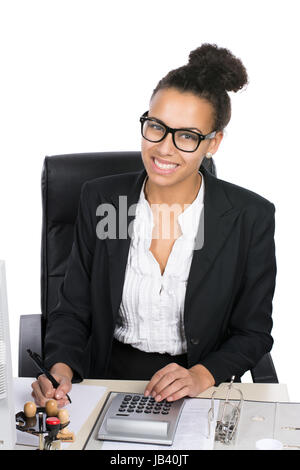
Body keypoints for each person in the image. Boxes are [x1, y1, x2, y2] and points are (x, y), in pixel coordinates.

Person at [31, 43, 276, 408]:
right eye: (157, 127)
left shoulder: (250, 215)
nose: (164, 148)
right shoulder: (102, 201)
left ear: (214, 143)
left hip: (198, 383)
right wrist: (62, 368)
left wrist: (201, 376)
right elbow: (73, 309)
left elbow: (252, 332)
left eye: (188, 136)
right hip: (105, 378)